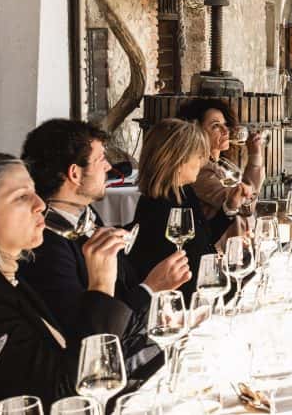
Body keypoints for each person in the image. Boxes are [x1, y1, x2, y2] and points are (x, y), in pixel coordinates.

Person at [17, 119, 189, 371]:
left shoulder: (86, 217)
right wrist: (151, 289)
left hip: (132, 340)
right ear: (75, 173)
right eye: (101, 160)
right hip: (108, 367)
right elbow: (89, 340)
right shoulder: (46, 245)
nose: (109, 166)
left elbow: (123, 282)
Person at [0, 150, 132, 412]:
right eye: (21, 197)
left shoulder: (10, 278)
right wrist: (101, 287)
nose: (40, 204)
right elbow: (67, 396)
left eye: (34, 191)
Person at [127, 119, 242, 299]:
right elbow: (186, 273)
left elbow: (203, 239)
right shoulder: (157, 208)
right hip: (185, 304)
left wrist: (229, 208)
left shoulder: (183, 191)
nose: (202, 162)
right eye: (198, 156)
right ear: (178, 160)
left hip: (205, 291)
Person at [175, 98, 262, 226]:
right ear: (196, 131)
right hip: (219, 242)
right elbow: (243, 206)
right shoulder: (199, 171)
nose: (226, 131)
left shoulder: (222, 163)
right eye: (216, 126)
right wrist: (255, 155)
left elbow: (247, 196)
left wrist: (255, 154)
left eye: (225, 124)